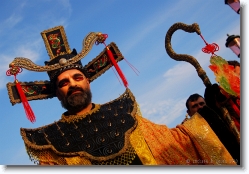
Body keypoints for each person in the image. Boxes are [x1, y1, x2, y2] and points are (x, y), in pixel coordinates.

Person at [7, 26, 237, 165]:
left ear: (87, 80)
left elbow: (174, 143)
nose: (72, 85)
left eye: (77, 78)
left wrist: (212, 111)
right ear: (56, 92)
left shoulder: (123, 113)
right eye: (64, 83)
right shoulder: (51, 144)